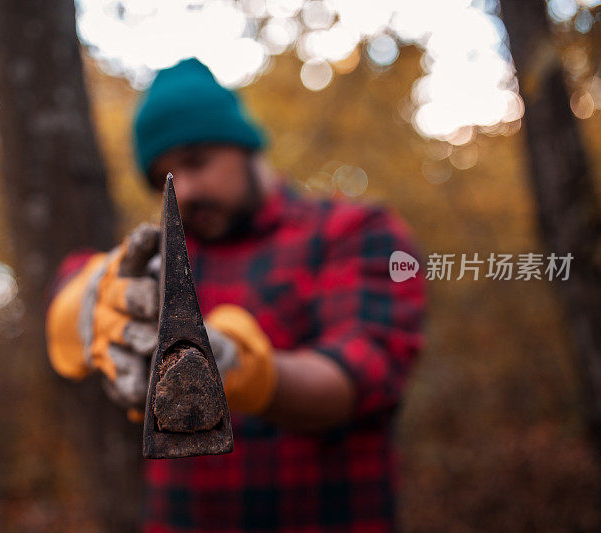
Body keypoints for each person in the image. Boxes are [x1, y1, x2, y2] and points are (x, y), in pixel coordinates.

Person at [46, 57, 426, 532]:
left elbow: (362, 370)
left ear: (247, 148)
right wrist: (83, 298)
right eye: (164, 179)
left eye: (196, 162)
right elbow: (78, 273)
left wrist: (244, 370)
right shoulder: (164, 261)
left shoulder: (353, 233)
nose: (182, 191)